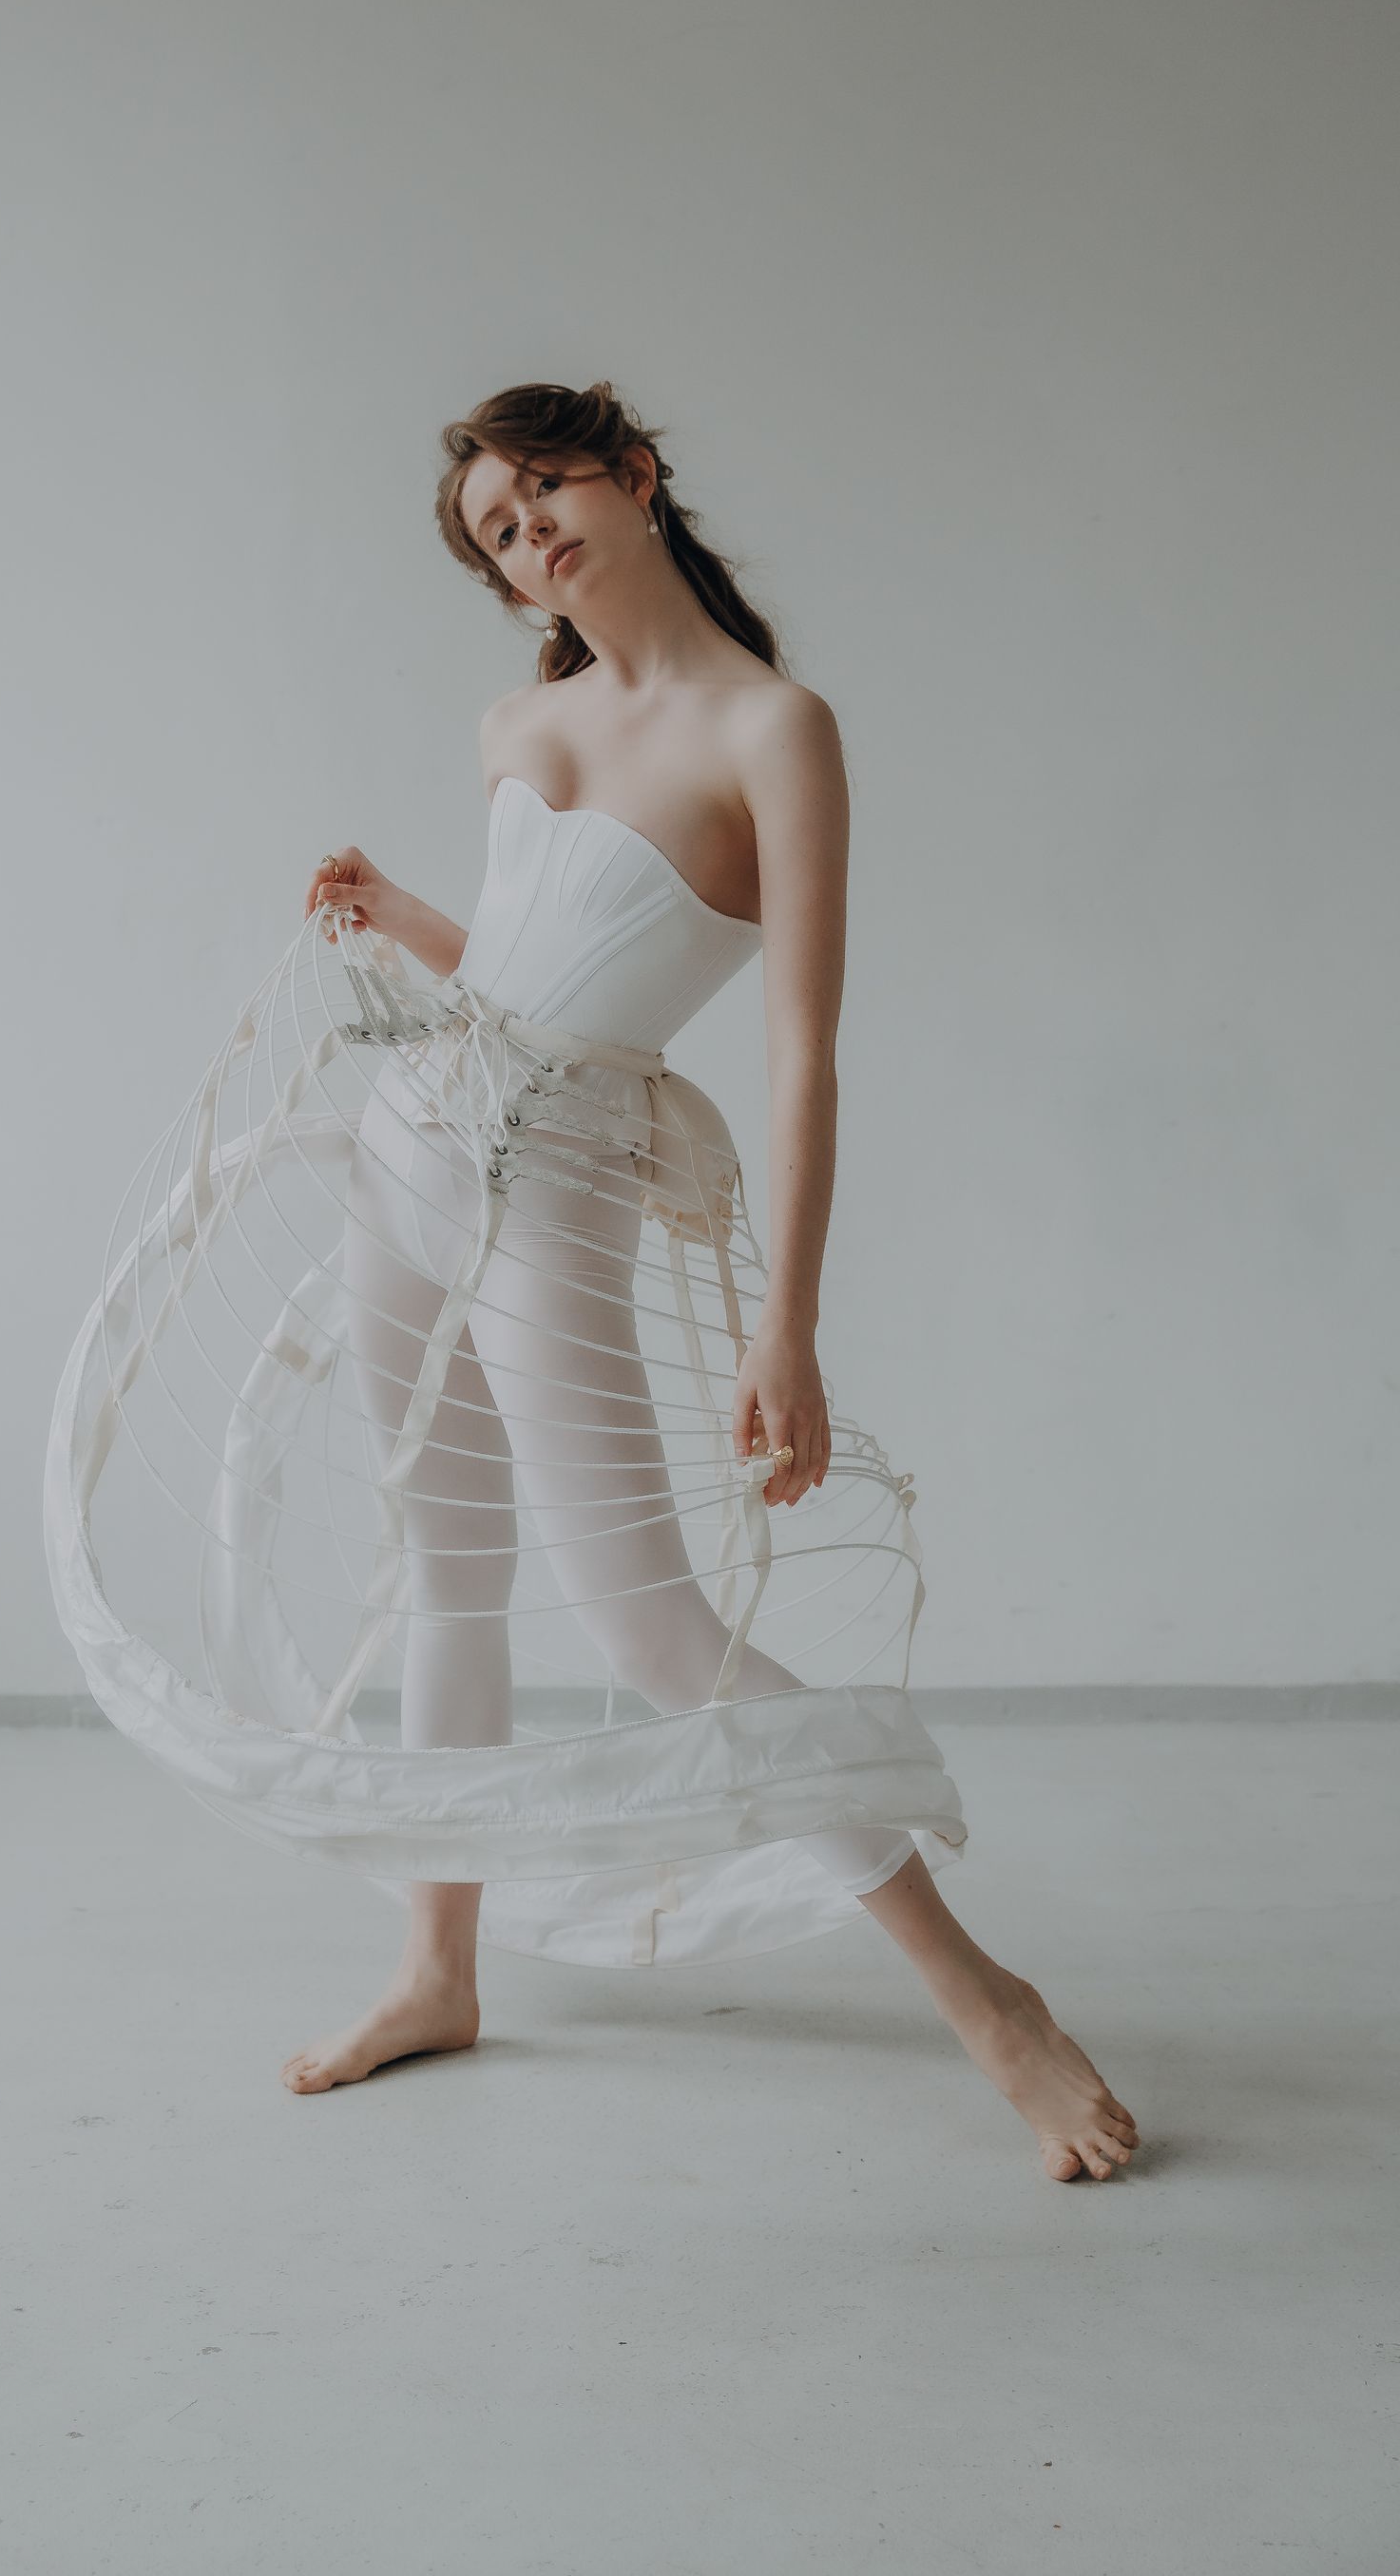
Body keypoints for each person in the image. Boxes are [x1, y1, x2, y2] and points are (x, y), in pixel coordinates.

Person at [273, 380, 1138, 2183]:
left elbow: (804, 1056)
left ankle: (991, 2004)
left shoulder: (778, 730)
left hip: (562, 1199)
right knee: (447, 1566)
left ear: (636, 473)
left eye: (549, 490)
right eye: (500, 532)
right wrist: (399, 914)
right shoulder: (521, 718)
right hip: (410, 1158)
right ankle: (439, 1968)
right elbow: (525, 978)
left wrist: (787, 1322)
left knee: (653, 1630)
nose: (534, 537)